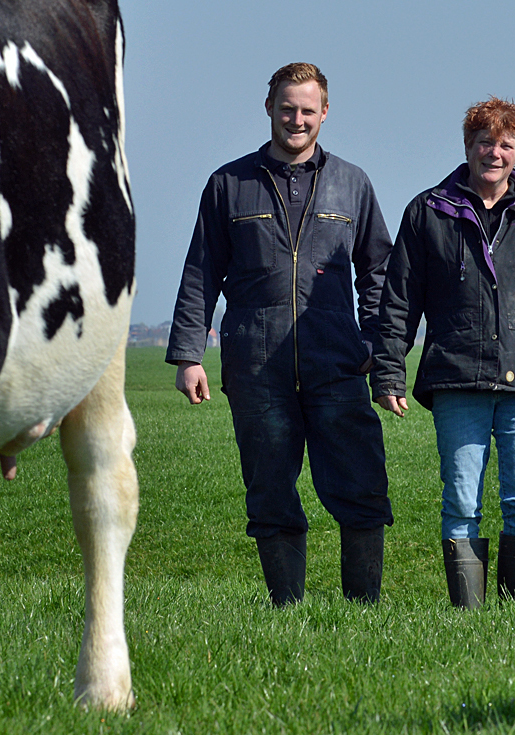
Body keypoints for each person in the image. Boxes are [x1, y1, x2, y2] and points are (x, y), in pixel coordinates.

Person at [167, 63, 394, 605]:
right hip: (256, 366)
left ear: (325, 112)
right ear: (268, 106)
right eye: (287, 108)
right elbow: (201, 271)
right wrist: (188, 355)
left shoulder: (353, 183)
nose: (297, 119)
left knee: (361, 485)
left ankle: (363, 611)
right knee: (269, 489)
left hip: (338, 363)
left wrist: (373, 343)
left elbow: (379, 273)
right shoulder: (229, 183)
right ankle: (286, 608)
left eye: (307, 110)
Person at [373, 98, 515, 608]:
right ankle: (468, 617)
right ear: (468, 146)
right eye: (485, 143)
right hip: (456, 377)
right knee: (461, 501)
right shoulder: (427, 212)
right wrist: (388, 372)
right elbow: (400, 299)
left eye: (506, 145)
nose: (494, 153)